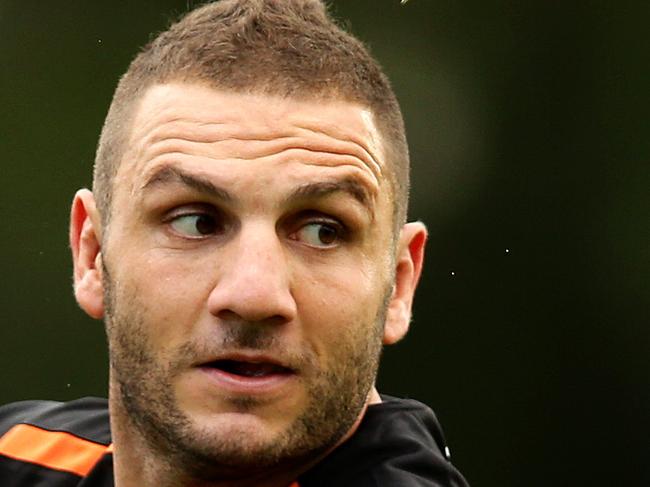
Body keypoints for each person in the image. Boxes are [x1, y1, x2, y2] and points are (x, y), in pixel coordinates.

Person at [0, 1, 468, 486]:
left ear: (398, 285)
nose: (254, 296)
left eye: (322, 232)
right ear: (91, 255)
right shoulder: (20, 457)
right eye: (196, 223)